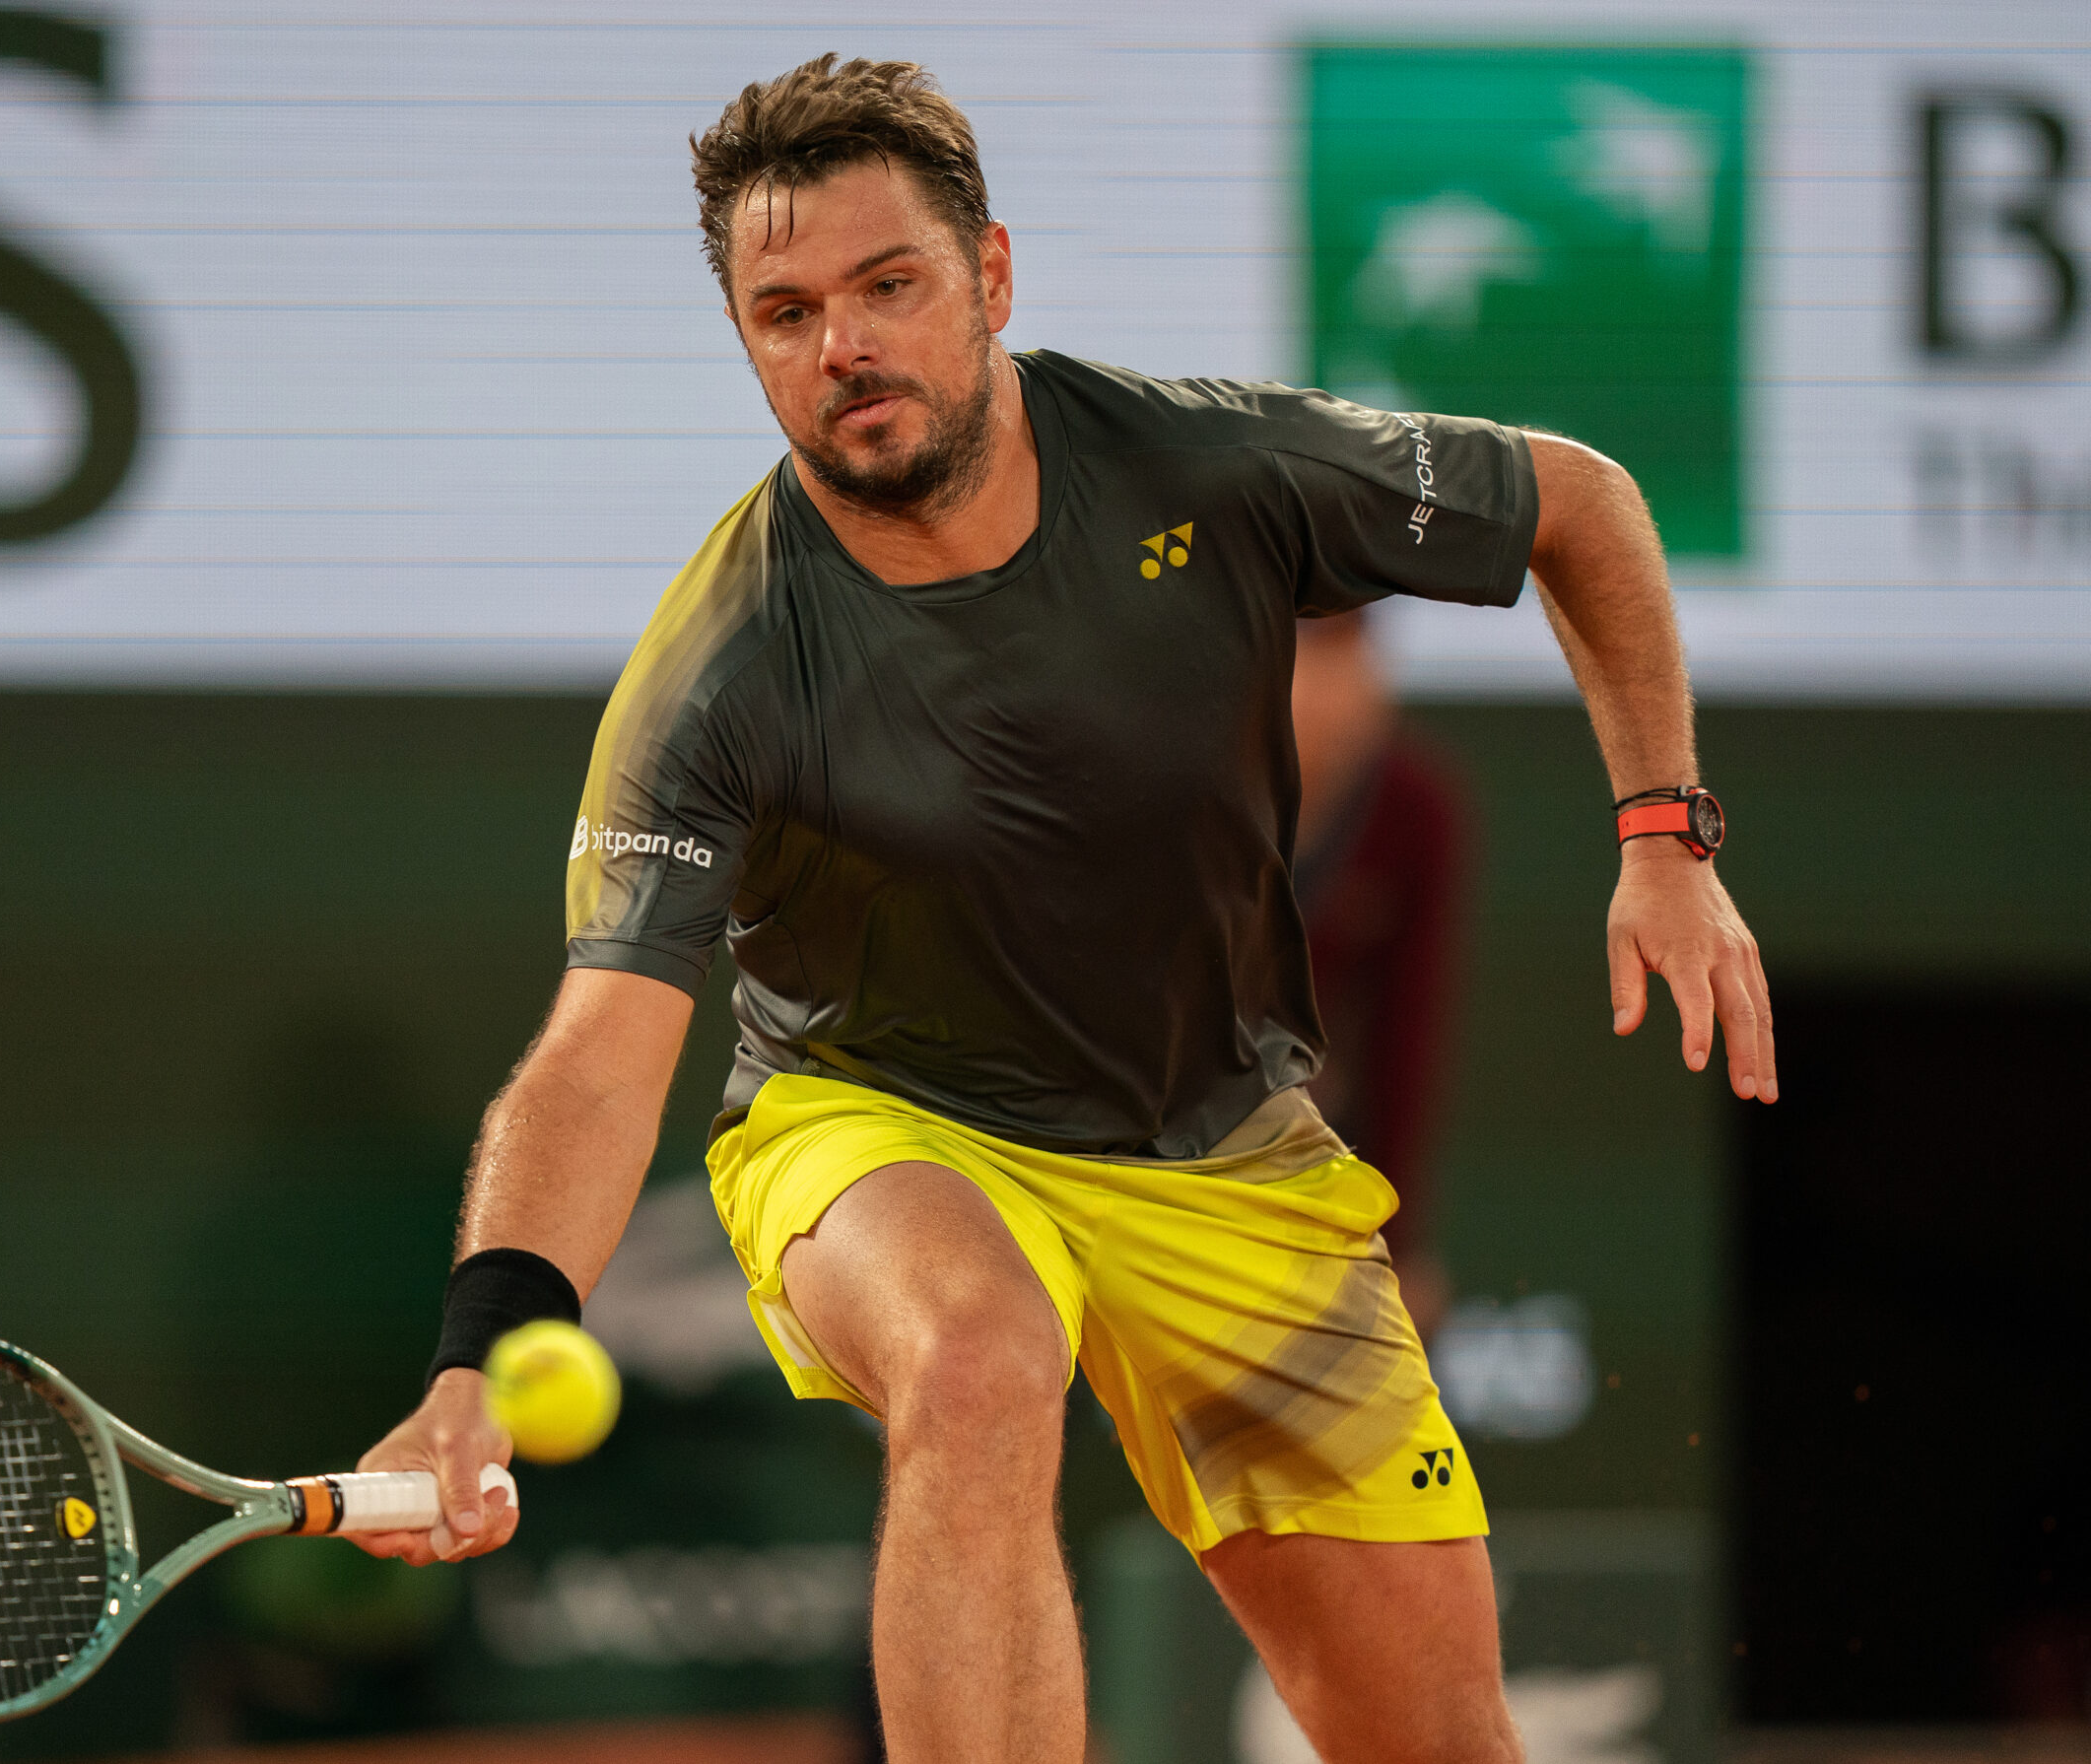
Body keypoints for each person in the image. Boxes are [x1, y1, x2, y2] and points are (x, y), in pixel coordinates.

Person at [352, 55, 1776, 1764]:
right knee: (977, 1356)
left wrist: (1666, 842)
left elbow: (1585, 507)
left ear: (992, 279)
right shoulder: (720, 670)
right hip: (878, 1128)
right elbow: (597, 1055)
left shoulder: (1209, 467)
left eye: (890, 287)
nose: (843, 350)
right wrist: (476, 1359)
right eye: (785, 312)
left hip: (1223, 1152)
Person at [1291, 607, 1472, 1342]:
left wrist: (1396, 1242)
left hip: (1305, 1157)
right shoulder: (1157, 784)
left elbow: (1408, 1041)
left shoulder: (1415, 810)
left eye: (1360, 646)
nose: (1351, 684)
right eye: (1316, 649)